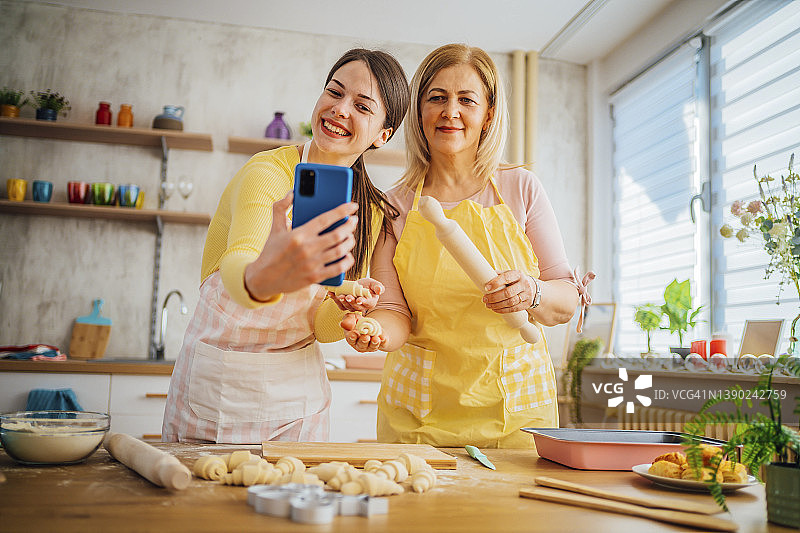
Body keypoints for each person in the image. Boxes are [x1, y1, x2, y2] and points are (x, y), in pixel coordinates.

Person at [342, 43, 593, 448]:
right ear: (419, 111)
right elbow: (393, 312)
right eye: (436, 98)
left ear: (488, 112)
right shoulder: (392, 206)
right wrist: (373, 331)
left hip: (516, 416)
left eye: (466, 100)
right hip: (419, 421)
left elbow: (564, 301)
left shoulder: (521, 188)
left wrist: (532, 292)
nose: (450, 111)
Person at [162, 48, 410, 443]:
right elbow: (237, 263)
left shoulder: (372, 213)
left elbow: (320, 327)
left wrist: (349, 308)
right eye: (334, 92)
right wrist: (265, 276)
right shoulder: (267, 173)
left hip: (296, 402)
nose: (340, 109)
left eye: (362, 106)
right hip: (215, 391)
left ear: (383, 134)